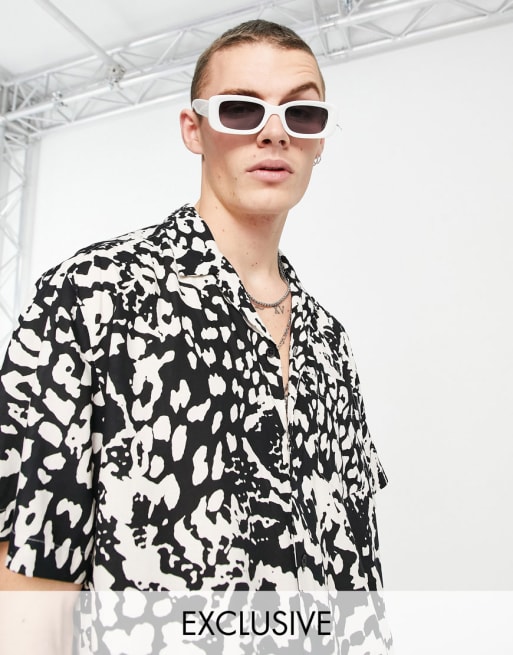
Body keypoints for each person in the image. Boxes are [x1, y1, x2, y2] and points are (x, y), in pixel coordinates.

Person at [0, 19, 387, 595]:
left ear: (320, 140)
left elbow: (357, 568)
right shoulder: (93, 294)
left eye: (301, 114)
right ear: (194, 129)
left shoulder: (331, 343)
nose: (275, 133)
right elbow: (31, 567)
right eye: (241, 109)